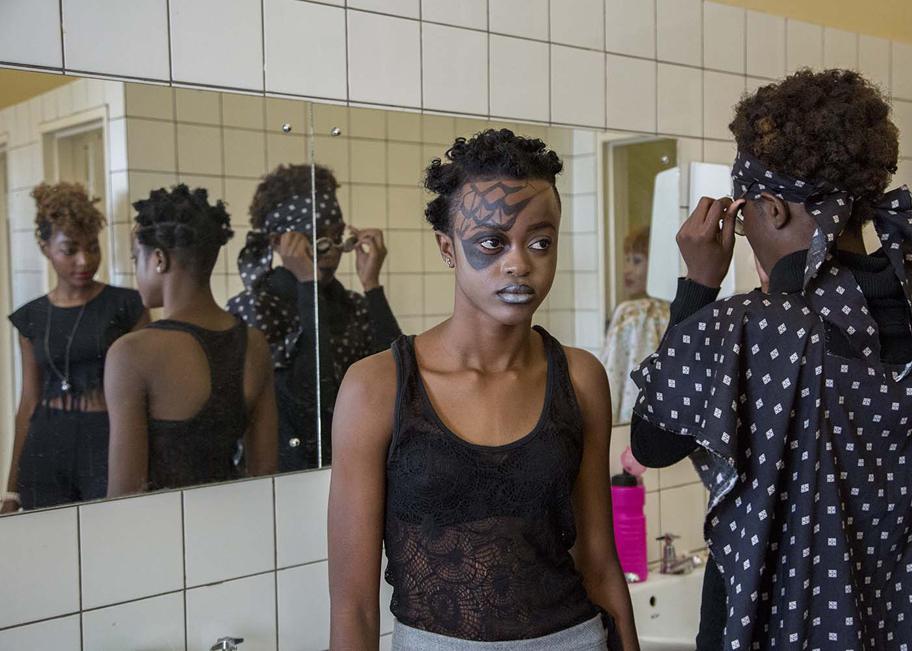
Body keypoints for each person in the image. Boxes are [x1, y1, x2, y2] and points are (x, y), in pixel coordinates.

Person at [630, 69, 912, 649]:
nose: (740, 231)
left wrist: (696, 287)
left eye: (743, 215)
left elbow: (653, 442)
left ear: (773, 208)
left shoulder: (750, 327)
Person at [328, 129, 639, 651]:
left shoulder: (580, 377)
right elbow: (352, 607)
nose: (519, 263)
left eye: (540, 242)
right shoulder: (377, 387)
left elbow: (601, 565)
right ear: (448, 249)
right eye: (491, 243)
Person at [105, 185, 277, 495]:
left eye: (135, 259)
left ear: (159, 259)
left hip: (161, 533)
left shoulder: (131, 353)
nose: (135, 271)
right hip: (236, 527)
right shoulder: (254, 344)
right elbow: (265, 474)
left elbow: (124, 493)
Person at [227, 164, 400, 470]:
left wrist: (372, 285)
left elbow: (397, 378)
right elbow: (308, 397)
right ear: (279, 243)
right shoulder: (253, 308)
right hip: (286, 472)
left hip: (353, 463)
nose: (331, 251)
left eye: (337, 236)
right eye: (316, 239)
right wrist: (308, 285)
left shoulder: (352, 304)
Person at [2, 183, 148, 513]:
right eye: (70, 250)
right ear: (45, 248)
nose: (84, 260)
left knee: (110, 534)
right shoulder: (31, 317)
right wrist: (11, 490)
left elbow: (146, 393)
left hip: (107, 438)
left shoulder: (127, 305)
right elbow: (28, 400)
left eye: (92, 247)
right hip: (46, 443)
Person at [601, 228, 670, 423]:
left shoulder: (636, 313)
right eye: (627, 259)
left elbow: (613, 381)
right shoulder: (672, 312)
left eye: (637, 261)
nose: (628, 270)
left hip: (629, 425)